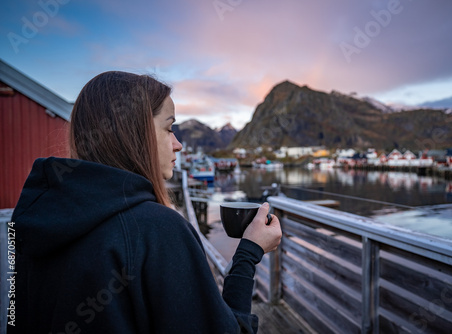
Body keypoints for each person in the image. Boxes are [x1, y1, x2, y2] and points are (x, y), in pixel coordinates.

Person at [9, 71, 282, 333]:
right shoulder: (158, 231)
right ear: (133, 134)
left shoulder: (33, 228)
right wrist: (248, 253)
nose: (178, 144)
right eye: (169, 128)